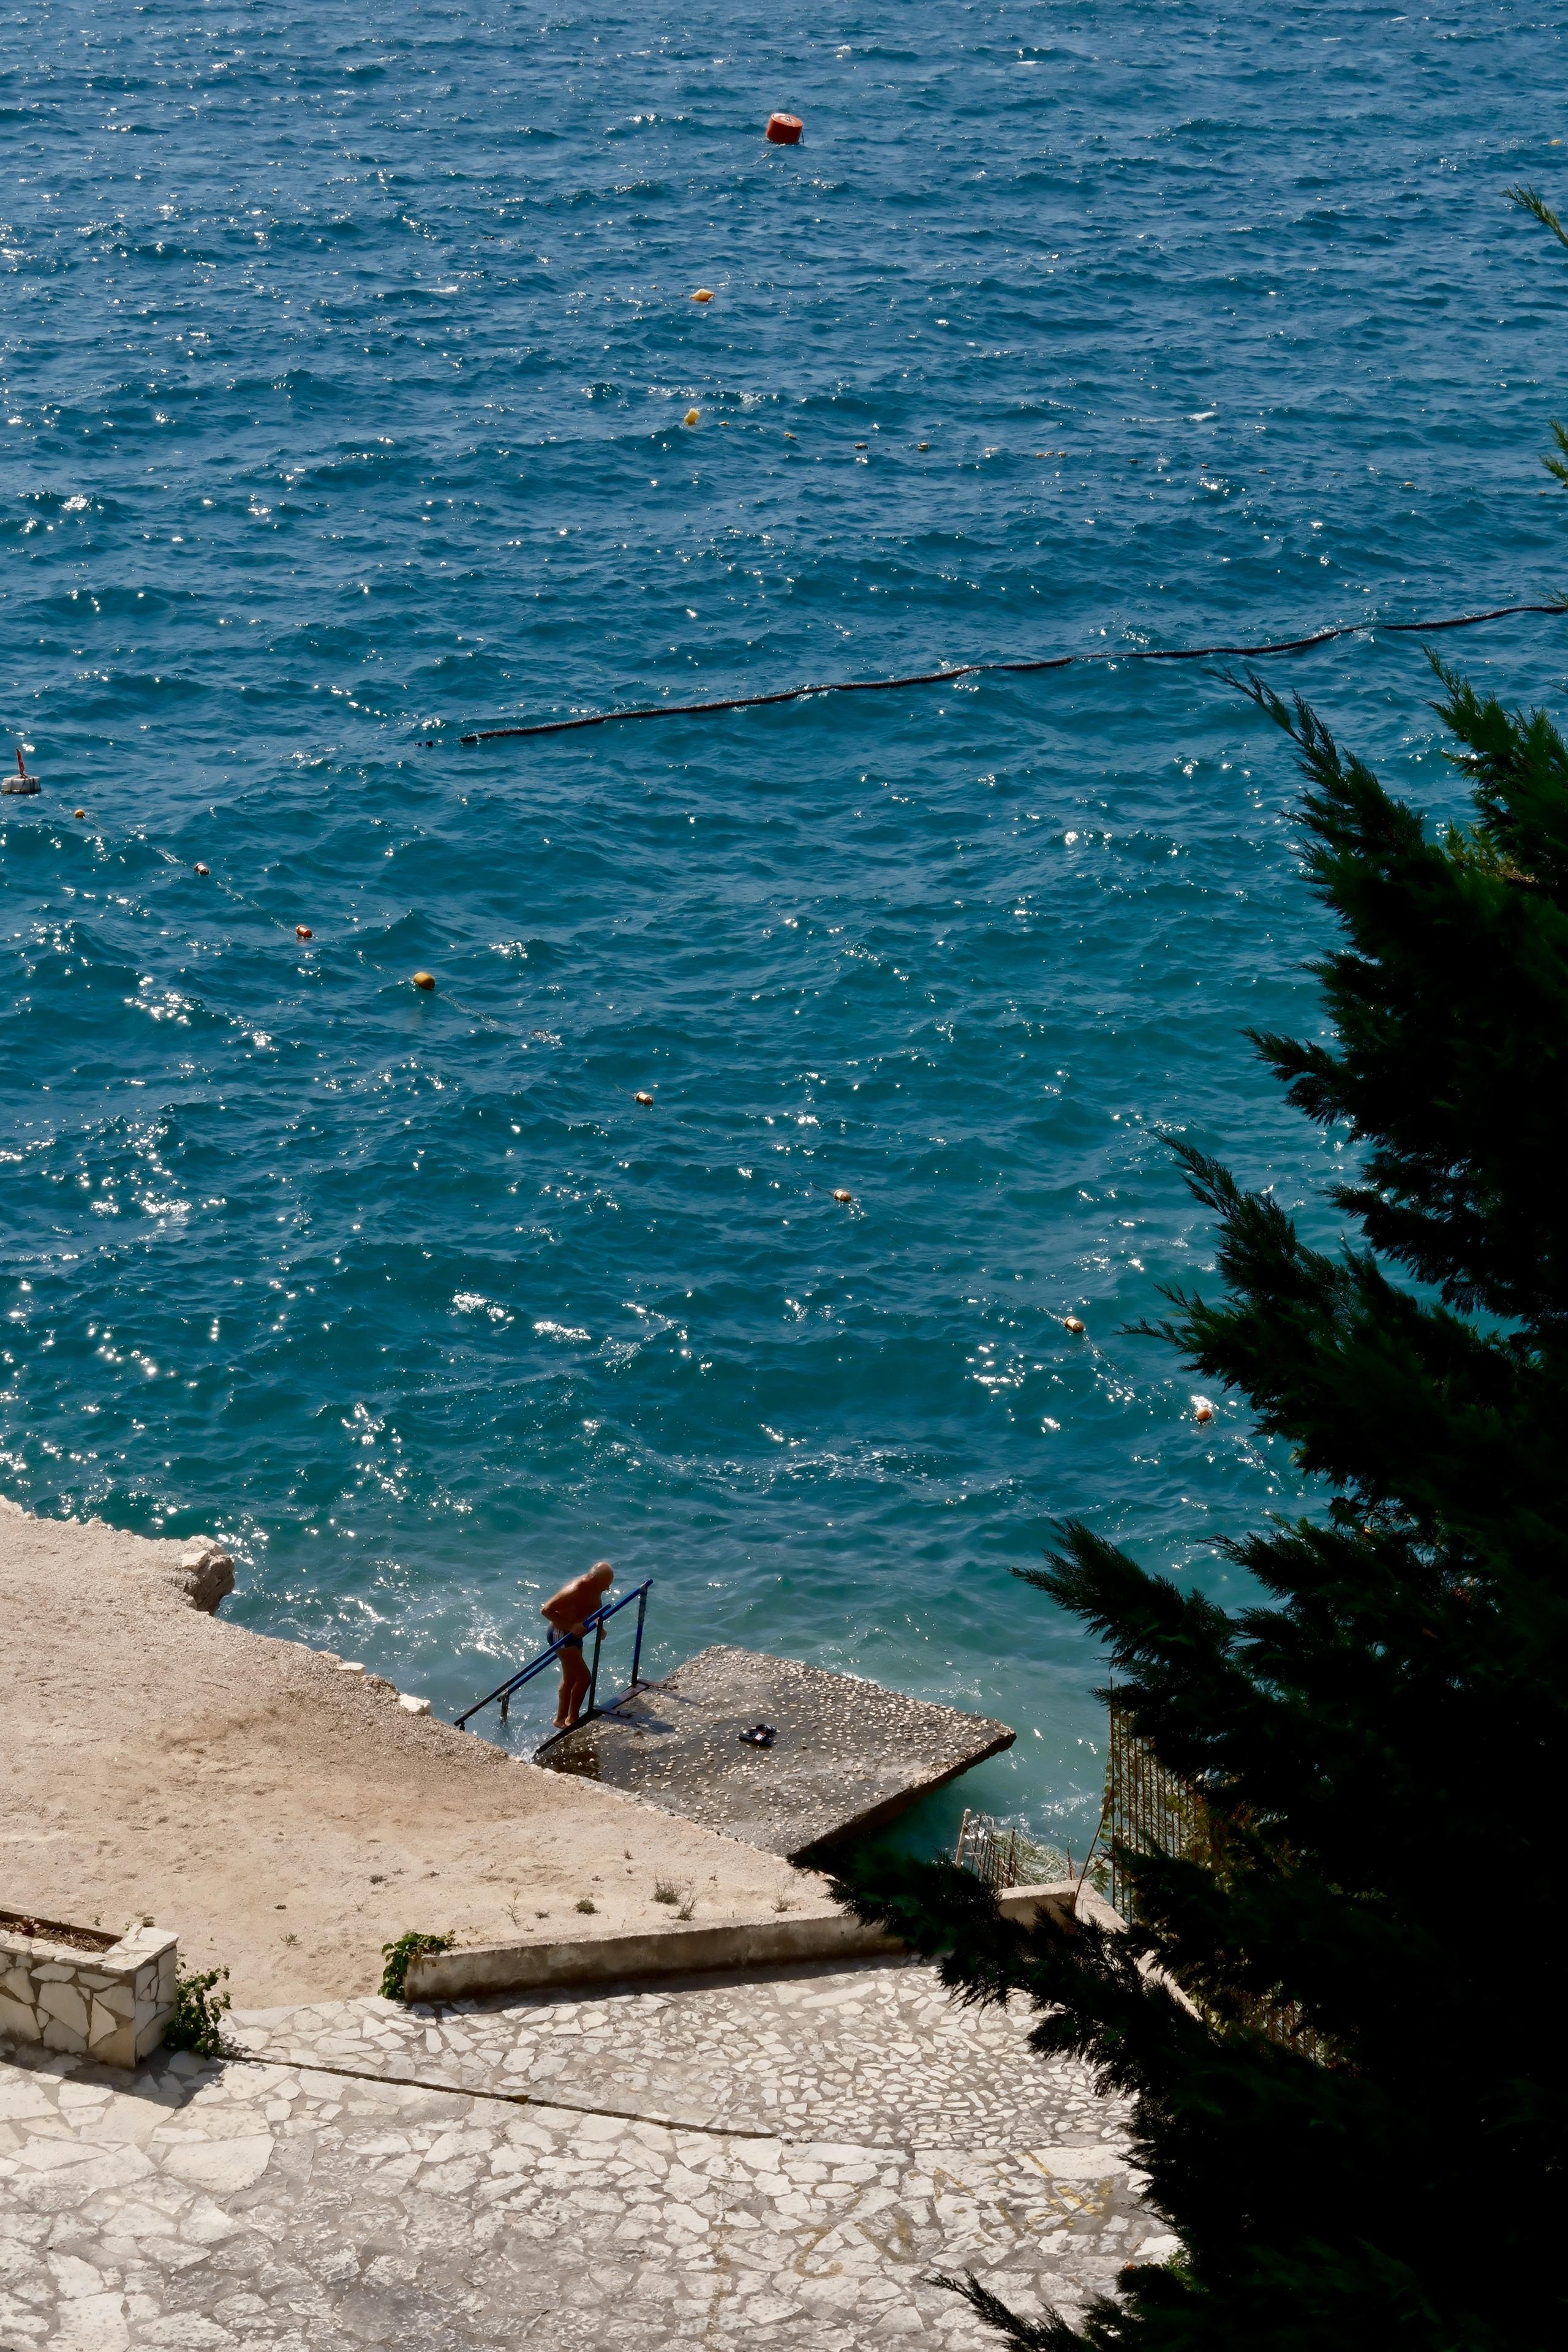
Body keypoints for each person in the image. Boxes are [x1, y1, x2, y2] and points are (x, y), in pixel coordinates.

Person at [541, 1561, 613, 1729]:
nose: (608, 1589)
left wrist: (600, 1626)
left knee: (571, 1678)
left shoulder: (595, 1588)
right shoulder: (576, 1589)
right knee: (584, 1678)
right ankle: (572, 1719)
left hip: (574, 1635)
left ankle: (561, 1719)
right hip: (560, 1634)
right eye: (605, 1585)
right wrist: (571, 1626)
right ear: (594, 1580)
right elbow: (546, 1610)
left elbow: (595, 1607)